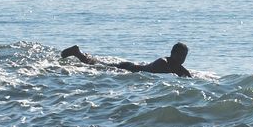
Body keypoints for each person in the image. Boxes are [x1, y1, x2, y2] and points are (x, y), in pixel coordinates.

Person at [60, 42, 192, 76]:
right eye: (180, 55)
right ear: (172, 53)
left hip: (132, 67)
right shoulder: (162, 62)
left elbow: (185, 75)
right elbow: (166, 75)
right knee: (96, 65)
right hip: (128, 68)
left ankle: (80, 53)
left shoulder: (180, 69)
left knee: (99, 64)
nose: (181, 59)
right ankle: (77, 53)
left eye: (184, 56)